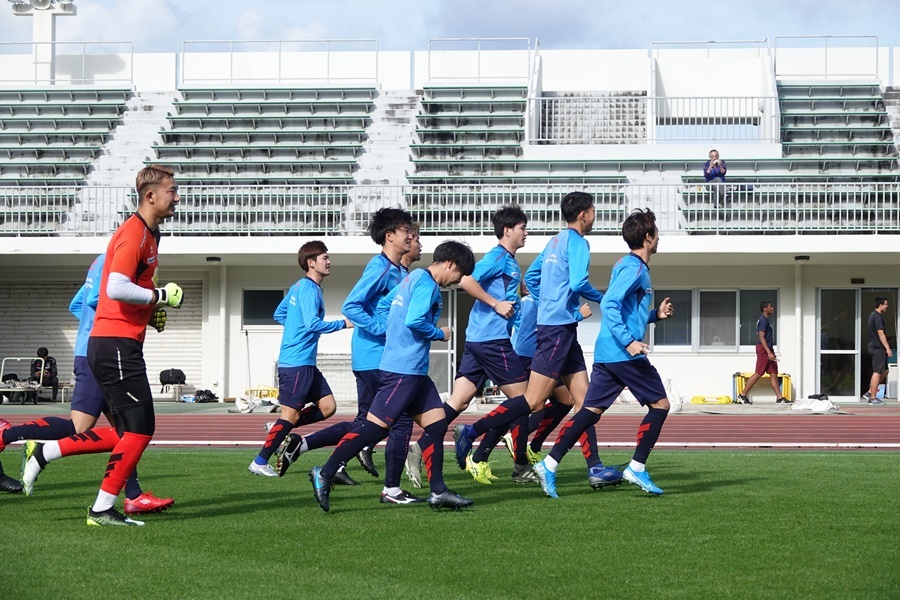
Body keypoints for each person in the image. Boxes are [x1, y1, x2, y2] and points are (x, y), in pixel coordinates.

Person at [454, 192, 621, 491]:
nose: (595, 216)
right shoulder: (579, 242)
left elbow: (532, 277)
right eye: (594, 211)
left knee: (583, 402)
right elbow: (579, 283)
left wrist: (550, 304)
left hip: (562, 328)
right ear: (583, 214)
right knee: (532, 401)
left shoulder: (554, 241)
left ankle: (594, 467)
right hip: (556, 331)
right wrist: (603, 299)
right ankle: (473, 431)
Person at [309, 240, 476, 512]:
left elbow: (385, 308)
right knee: (375, 428)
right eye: (459, 274)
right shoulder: (427, 284)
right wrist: (439, 334)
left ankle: (438, 492)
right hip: (403, 370)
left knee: (435, 426)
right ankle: (325, 473)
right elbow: (415, 321)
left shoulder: (413, 278)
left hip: (414, 372)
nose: (457, 281)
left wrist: (394, 332)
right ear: (451, 264)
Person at [273, 210, 418, 503]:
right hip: (374, 357)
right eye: (410, 234)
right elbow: (352, 306)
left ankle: (309, 451)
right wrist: (384, 331)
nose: (415, 240)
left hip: (386, 357)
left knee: (370, 421)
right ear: (390, 236)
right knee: (397, 420)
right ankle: (388, 487)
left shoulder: (399, 272)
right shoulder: (379, 268)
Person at [16, 254, 173, 515]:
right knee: (85, 427)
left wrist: (98, 325)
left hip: (95, 350)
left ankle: (132, 496)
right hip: (103, 353)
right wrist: (142, 313)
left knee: (126, 431)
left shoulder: (102, 259)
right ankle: (17, 438)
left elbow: (77, 304)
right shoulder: (119, 258)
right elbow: (96, 300)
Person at [533, 208, 675, 497]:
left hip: (608, 353)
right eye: (657, 233)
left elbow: (624, 312)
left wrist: (654, 316)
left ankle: (548, 463)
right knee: (661, 405)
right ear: (649, 237)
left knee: (589, 411)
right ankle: (636, 467)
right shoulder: (634, 268)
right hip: (623, 354)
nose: (659, 238)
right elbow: (610, 304)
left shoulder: (627, 265)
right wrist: (630, 342)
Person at [83, 164, 183, 526]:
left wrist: (151, 307)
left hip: (119, 342)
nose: (177, 196)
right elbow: (115, 287)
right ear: (150, 196)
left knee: (129, 430)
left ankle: (47, 452)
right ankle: (102, 507)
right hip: (115, 342)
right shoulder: (134, 233)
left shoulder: (150, 234)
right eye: (172, 190)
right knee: (139, 428)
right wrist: (159, 295)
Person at [405, 205, 527, 487]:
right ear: (507, 230)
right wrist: (496, 303)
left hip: (477, 340)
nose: (526, 233)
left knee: (458, 401)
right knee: (526, 401)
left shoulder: (508, 261)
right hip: (491, 339)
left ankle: (418, 448)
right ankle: (473, 433)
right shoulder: (497, 257)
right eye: (522, 228)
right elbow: (467, 280)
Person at [248, 241, 352, 477]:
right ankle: (260, 460)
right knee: (291, 415)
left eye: (328, 257)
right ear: (310, 262)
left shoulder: (300, 287)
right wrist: (343, 323)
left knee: (328, 407)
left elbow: (279, 314)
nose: (329, 261)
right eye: (324, 257)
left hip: (306, 363)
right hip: (295, 364)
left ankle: (279, 428)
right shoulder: (308, 289)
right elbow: (312, 324)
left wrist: (295, 328)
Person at [737, 301, 789, 405]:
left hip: (769, 349)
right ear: (765, 309)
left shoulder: (766, 321)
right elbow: (761, 337)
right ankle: (742, 395)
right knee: (759, 373)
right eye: (770, 307)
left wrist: (771, 351)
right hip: (764, 350)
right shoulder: (763, 320)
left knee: (773, 373)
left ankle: (779, 398)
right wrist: (768, 352)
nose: (772, 308)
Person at [863, 297, 892, 406]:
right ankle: (873, 398)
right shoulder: (877, 317)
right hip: (877, 348)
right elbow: (881, 334)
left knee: (885, 371)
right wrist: (888, 348)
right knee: (877, 372)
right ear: (880, 305)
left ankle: (870, 392)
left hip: (875, 347)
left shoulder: (872, 315)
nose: (886, 306)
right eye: (885, 304)